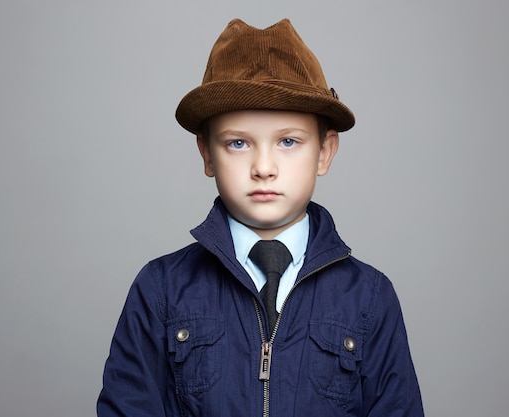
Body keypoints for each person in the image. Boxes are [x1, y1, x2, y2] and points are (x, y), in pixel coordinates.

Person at [97, 18, 424, 417]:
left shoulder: (370, 298)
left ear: (324, 152)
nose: (264, 167)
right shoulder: (161, 290)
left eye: (288, 141)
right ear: (206, 154)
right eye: (238, 143)